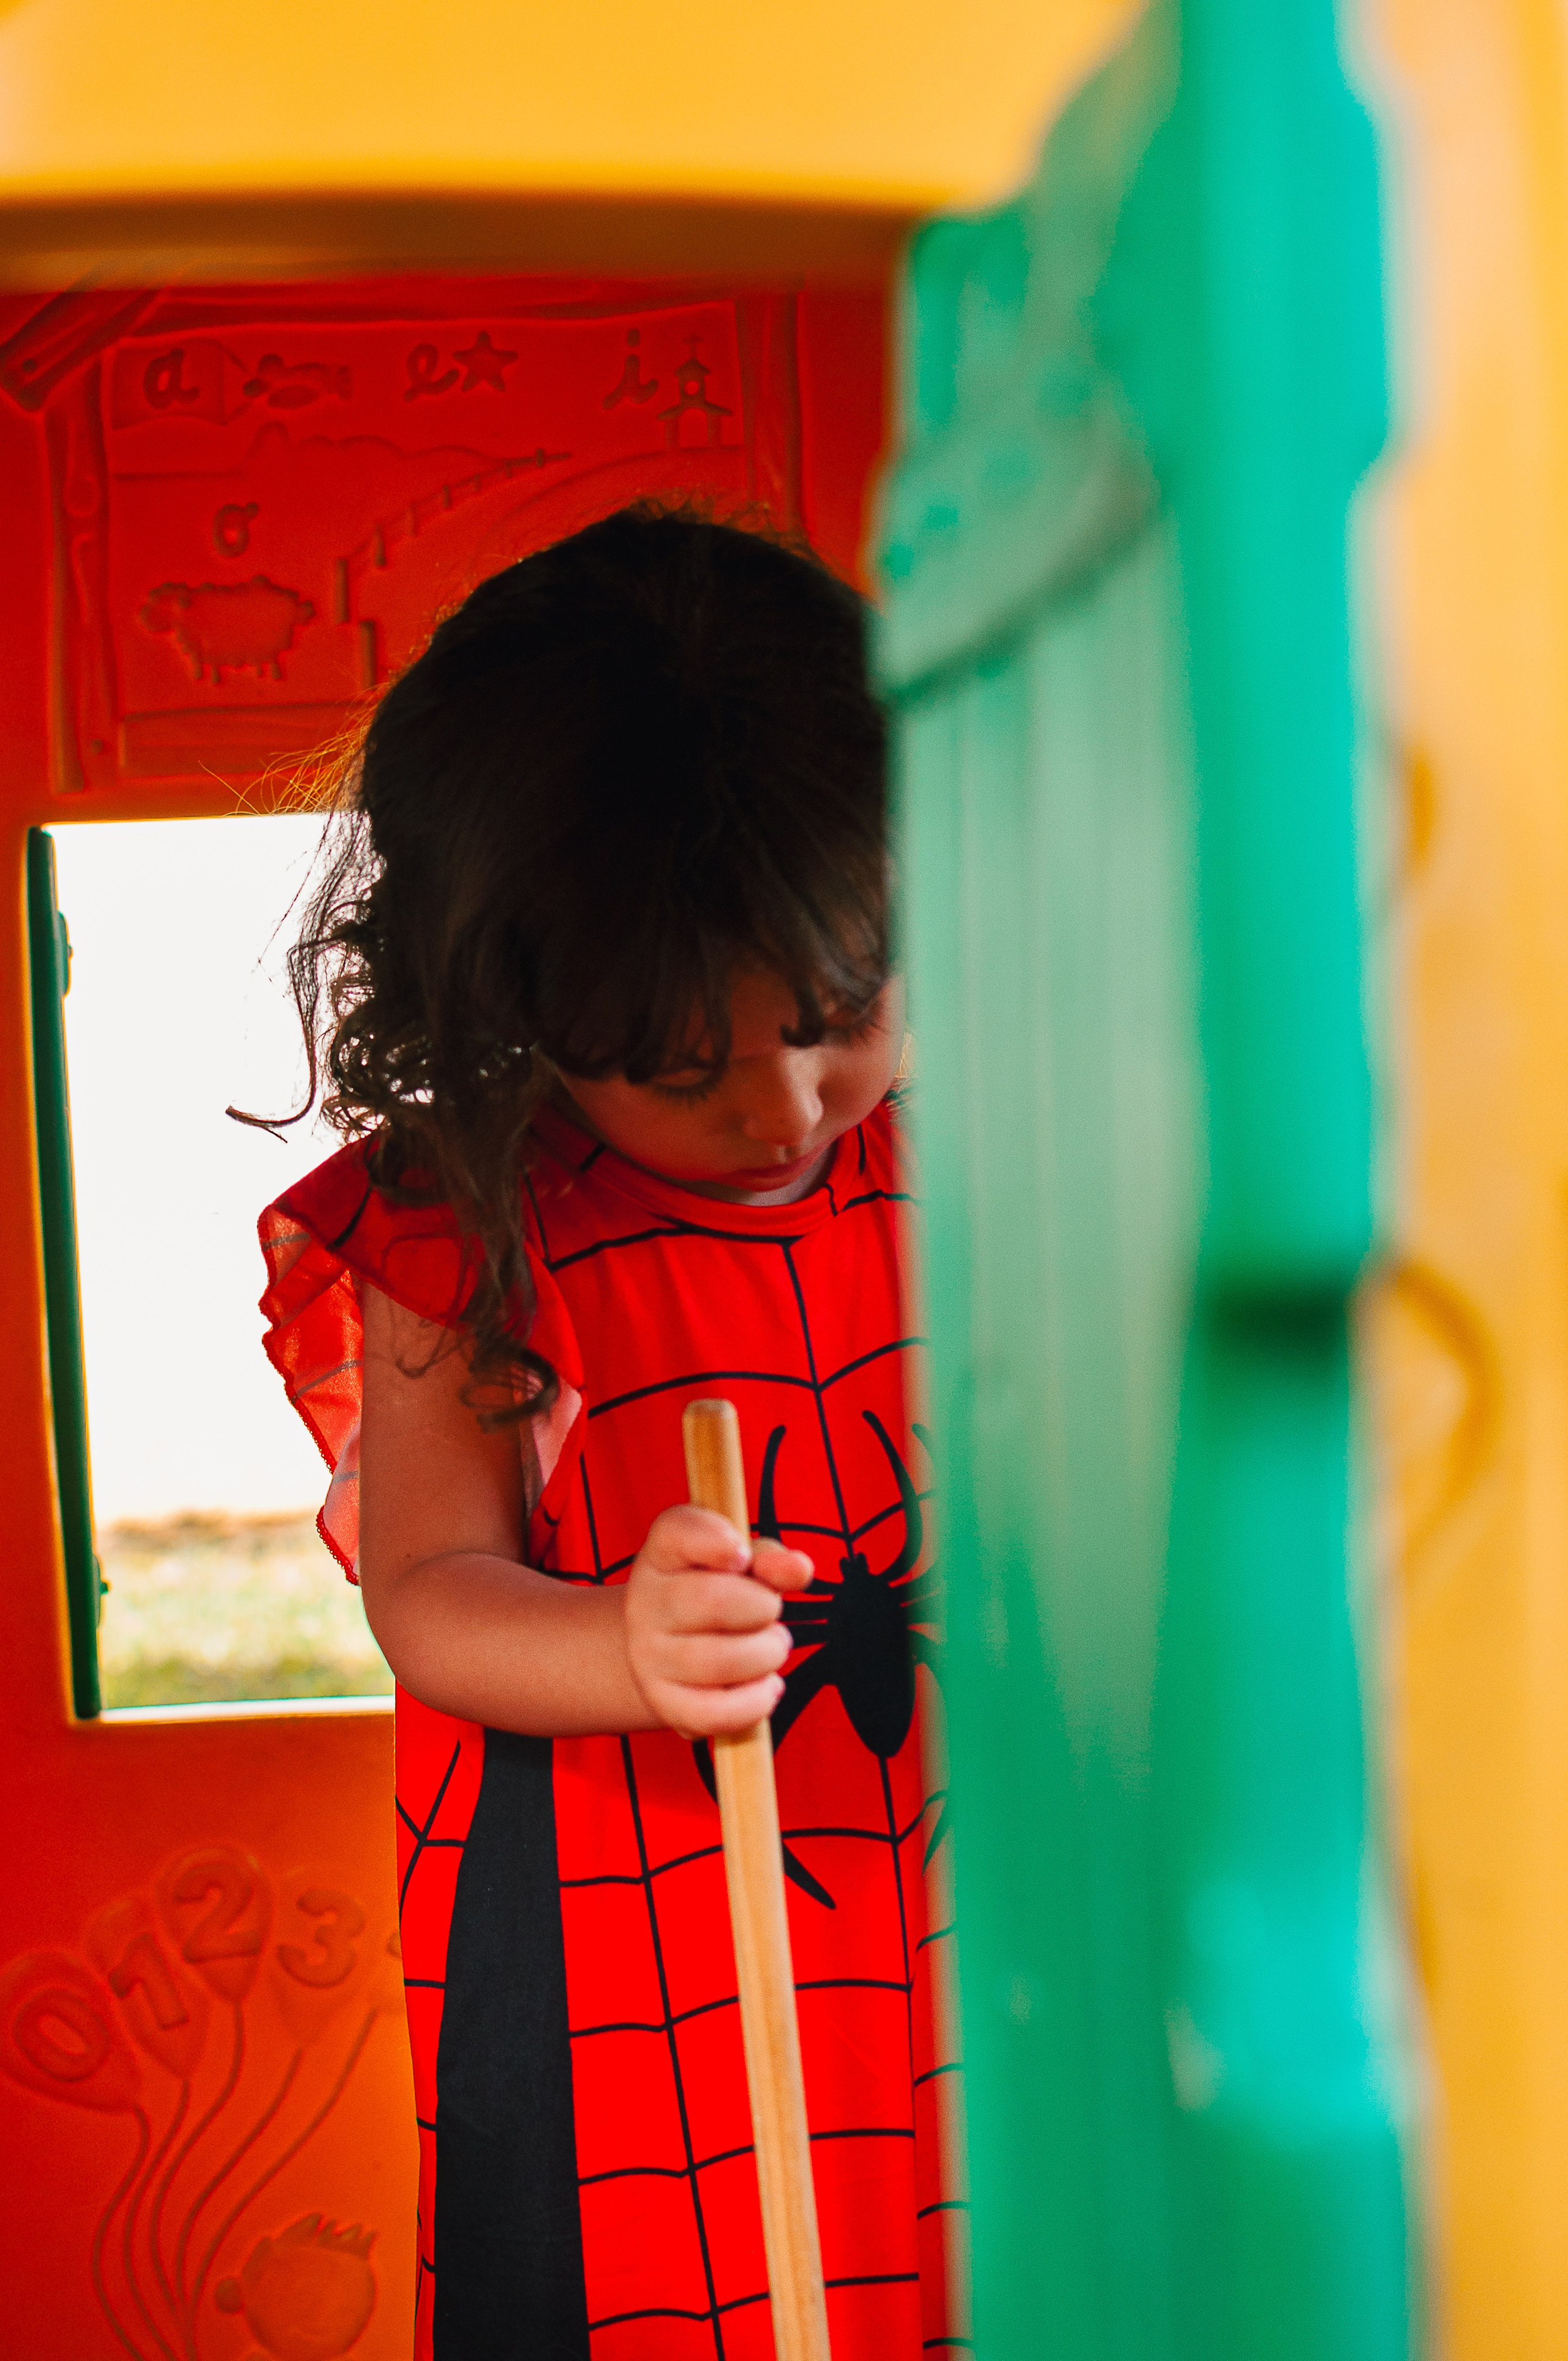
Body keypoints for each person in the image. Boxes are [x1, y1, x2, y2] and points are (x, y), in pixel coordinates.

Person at [254, 507, 956, 2361]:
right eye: (680, 1064)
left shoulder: (990, 1137)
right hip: (605, 1918)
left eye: (838, 1016)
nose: (787, 1106)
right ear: (520, 1009)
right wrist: (614, 1640)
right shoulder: (469, 1213)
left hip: (952, 1865)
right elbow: (424, 1590)